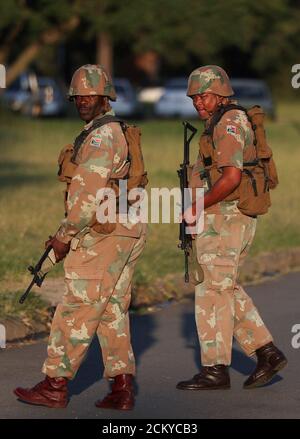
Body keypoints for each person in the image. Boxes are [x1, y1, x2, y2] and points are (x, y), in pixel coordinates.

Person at [14, 64, 147, 410]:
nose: (84, 100)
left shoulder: (101, 137)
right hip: (125, 230)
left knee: (77, 307)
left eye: (92, 94)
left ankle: (54, 385)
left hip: (104, 234)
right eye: (79, 95)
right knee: (111, 310)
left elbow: (87, 197)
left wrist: (63, 237)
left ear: (106, 97)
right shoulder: (112, 130)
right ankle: (122, 388)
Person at [177, 65, 287, 391]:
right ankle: (267, 352)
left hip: (226, 216)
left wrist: (198, 205)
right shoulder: (222, 121)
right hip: (222, 215)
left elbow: (231, 178)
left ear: (221, 93)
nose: (198, 102)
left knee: (212, 291)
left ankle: (215, 369)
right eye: (194, 96)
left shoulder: (228, 123)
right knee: (223, 286)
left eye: (204, 95)